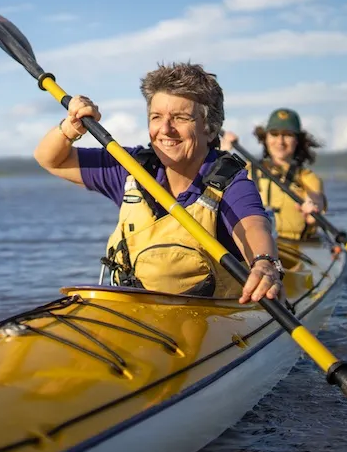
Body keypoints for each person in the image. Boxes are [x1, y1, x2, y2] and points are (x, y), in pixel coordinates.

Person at [33, 61, 285, 305]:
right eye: (156, 117)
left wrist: (263, 262)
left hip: (213, 322)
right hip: (137, 316)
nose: (165, 129)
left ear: (210, 129)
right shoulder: (130, 167)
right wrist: (71, 127)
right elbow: (51, 160)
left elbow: (253, 226)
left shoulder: (230, 181)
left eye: (180, 118)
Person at [219, 108, 326, 241]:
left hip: (296, 247)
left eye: (287, 135)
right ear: (265, 138)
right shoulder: (245, 169)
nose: (280, 141)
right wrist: (223, 152)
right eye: (274, 134)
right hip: (254, 244)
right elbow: (214, 185)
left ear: (297, 140)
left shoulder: (308, 177)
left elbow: (316, 200)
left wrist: (313, 209)